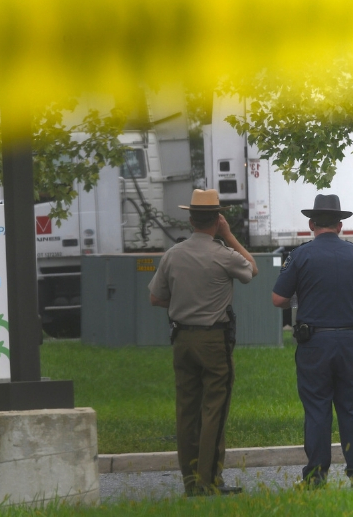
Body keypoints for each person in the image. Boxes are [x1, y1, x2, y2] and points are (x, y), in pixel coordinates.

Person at [149, 189, 258, 497]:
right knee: (214, 409)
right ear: (217, 219)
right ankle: (207, 480)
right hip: (213, 340)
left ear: (190, 219)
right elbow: (252, 269)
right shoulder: (222, 253)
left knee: (186, 410)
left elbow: (156, 297)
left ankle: (189, 481)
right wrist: (229, 235)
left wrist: (183, 300)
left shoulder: (173, 254)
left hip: (181, 338)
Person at [271, 194, 353, 489]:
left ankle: (316, 476)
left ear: (311, 223)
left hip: (314, 342)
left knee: (317, 408)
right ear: (340, 225)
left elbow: (278, 298)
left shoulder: (300, 255)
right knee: (352, 408)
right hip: (351, 340)